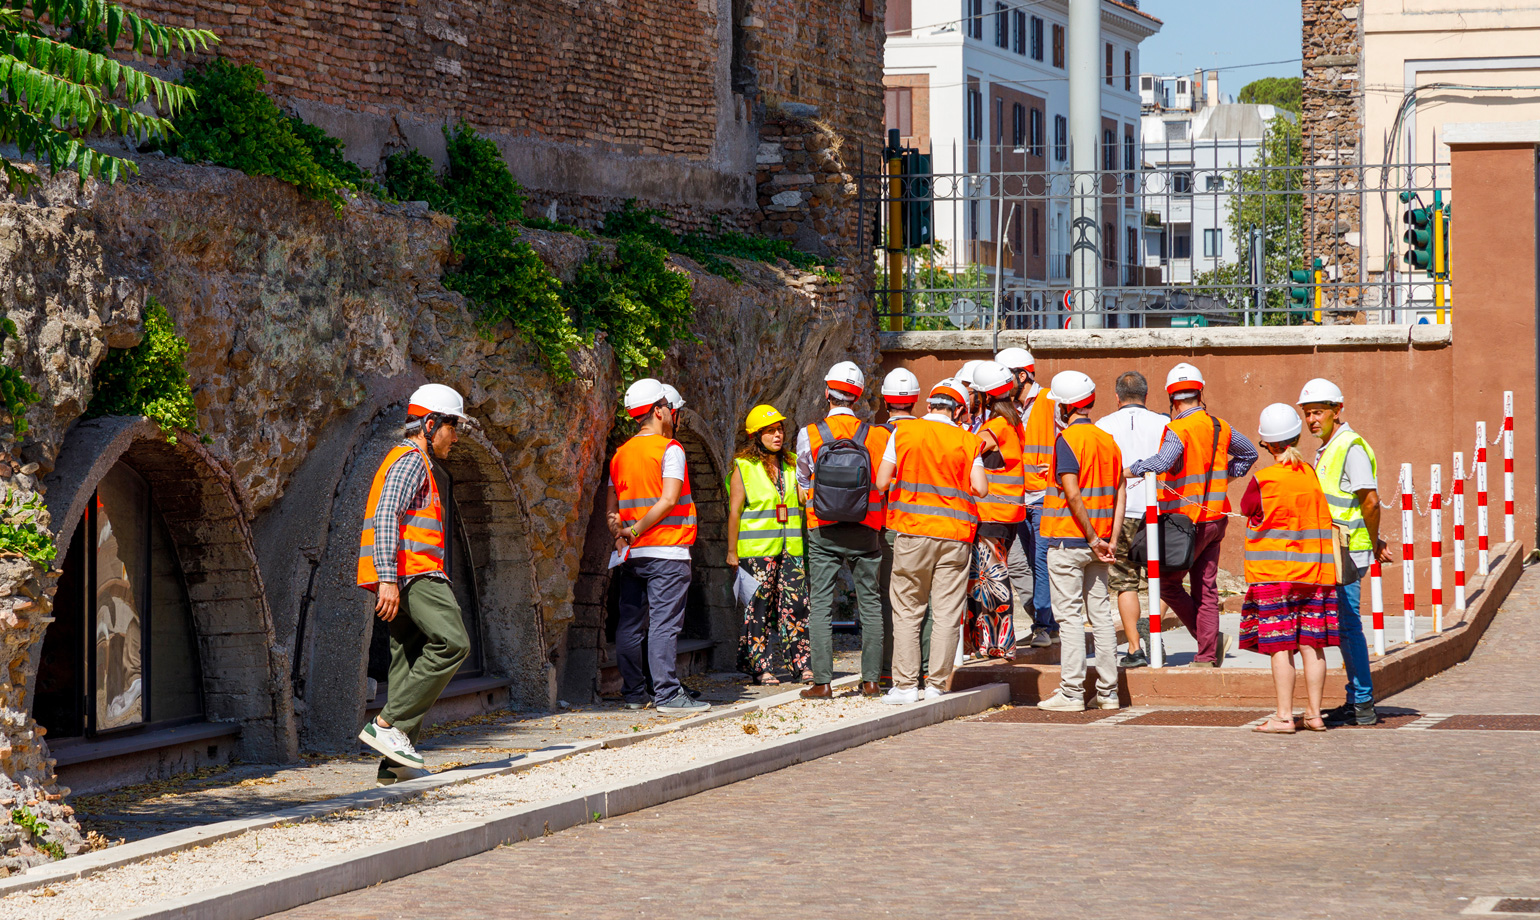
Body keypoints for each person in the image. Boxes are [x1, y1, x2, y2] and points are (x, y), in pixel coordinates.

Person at [357, 383, 476, 784]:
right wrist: (388, 578)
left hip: (404, 575)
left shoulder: (411, 461)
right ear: (429, 424)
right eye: (452, 426)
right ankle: (388, 725)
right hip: (415, 574)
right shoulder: (410, 461)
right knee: (453, 643)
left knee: (408, 663)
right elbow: (388, 515)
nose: (455, 436)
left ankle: (395, 769)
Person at [1130, 363, 1257, 667]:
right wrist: (1225, 476)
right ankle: (1207, 654)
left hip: (1185, 522)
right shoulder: (1220, 426)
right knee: (1207, 589)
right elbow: (1249, 452)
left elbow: (1161, 462)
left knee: (1168, 584)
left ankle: (1206, 643)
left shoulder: (1178, 429)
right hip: (1215, 518)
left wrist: (1129, 470)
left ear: (1172, 399)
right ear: (1200, 392)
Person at [876, 379, 990, 704]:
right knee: (946, 612)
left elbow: (883, 481)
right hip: (955, 536)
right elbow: (980, 489)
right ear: (958, 411)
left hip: (912, 533)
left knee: (909, 611)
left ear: (928, 406)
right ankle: (938, 684)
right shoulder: (967, 441)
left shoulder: (904, 433)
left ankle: (906, 686)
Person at [606, 378, 711, 714]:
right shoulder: (671, 449)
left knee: (630, 623)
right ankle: (667, 694)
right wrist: (635, 530)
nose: (670, 411)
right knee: (665, 625)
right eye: (667, 406)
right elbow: (668, 500)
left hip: (632, 554)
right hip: (667, 550)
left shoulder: (621, 454)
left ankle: (635, 693)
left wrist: (619, 531)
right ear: (658, 412)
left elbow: (611, 505)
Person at [1242, 404, 1340, 734]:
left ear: (1268, 444)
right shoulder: (1310, 473)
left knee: (1281, 647)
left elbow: (1247, 509)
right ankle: (1314, 714)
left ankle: (1284, 716)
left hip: (1274, 577)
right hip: (1314, 574)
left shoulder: (1263, 479)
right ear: (1297, 436)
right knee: (1313, 645)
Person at [1299, 378, 1391, 726]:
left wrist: (1373, 539)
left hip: (1347, 550)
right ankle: (1357, 699)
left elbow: (1369, 501)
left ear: (1337, 411)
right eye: (1308, 414)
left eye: (1318, 412)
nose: (1312, 420)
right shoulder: (1329, 447)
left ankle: (1363, 703)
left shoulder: (1349, 446)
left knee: (1348, 625)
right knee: (1343, 625)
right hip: (1338, 548)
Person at [797, 362, 891, 699]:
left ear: (827, 393)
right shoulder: (878, 435)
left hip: (822, 528)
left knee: (821, 604)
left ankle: (822, 683)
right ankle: (871, 681)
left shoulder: (809, 433)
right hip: (866, 529)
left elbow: (803, 481)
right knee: (871, 604)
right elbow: (884, 482)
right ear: (859, 397)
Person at [1036, 372, 1126, 712]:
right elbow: (1119, 493)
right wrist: (1110, 540)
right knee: (1101, 617)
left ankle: (1072, 693)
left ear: (1064, 406)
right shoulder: (1108, 440)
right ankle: (1108, 693)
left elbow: (1072, 493)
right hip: (1099, 544)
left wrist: (1091, 537)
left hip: (1070, 541)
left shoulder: (1067, 440)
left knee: (1070, 618)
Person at [727, 405, 812, 685]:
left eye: (780, 429)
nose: (778, 435)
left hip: (791, 551)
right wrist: (731, 552)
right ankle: (761, 667)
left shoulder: (790, 463)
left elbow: (802, 498)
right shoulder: (744, 467)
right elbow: (735, 512)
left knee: (797, 607)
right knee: (758, 611)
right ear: (756, 435)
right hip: (757, 554)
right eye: (771, 431)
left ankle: (802, 666)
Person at [1095, 371, 1170, 668]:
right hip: (1159, 509)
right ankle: (1151, 626)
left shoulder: (1102, 426)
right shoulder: (1165, 423)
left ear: (1116, 397)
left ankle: (1135, 648)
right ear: (1147, 396)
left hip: (1120, 511)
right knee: (1165, 579)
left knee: (1125, 583)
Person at [995, 347, 1057, 649]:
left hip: (1044, 496)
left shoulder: (1050, 400)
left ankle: (1043, 626)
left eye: (1006, 377)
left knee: (1042, 562)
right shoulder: (1009, 409)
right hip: (1020, 499)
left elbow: (1074, 434)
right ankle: (1048, 623)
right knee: (1028, 564)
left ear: (1023, 375)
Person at [877, 368, 932, 682]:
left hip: (889, 527)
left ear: (886, 401)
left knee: (890, 599)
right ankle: (925, 669)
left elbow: (877, 482)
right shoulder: (929, 433)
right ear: (916, 401)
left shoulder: (877, 436)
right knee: (925, 600)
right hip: (927, 525)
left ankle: (889, 669)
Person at [967, 361, 1025, 659]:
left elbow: (965, 452)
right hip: (1008, 514)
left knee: (991, 578)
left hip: (992, 515)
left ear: (985, 397)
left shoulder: (995, 428)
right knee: (993, 575)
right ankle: (991, 642)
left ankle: (999, 644)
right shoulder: (1012, 422)